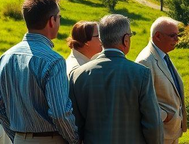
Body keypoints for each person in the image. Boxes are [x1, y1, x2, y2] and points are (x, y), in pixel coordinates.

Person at [0, 0, 79, 144]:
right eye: (59, 17)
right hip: (50, 139)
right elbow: (60, 113)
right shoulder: (53, 61)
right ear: (52, 21)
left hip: (20, 139)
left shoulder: (5, 58)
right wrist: (74, 140)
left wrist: (18, 137)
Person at [69, 14, 163, 144]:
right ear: (125, 39)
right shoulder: (141, 74)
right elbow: (153, 123)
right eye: (130, 36)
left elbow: (75, 125)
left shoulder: (78, 75)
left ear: (101, 40)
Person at [136, 17, 187, 144]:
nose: (177, 39)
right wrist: (166, 116)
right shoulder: (146, 61)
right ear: (158, 36)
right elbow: (140, 101)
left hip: (170, 132)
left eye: (178, 35)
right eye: (172, 35)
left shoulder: (162, 55)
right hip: (160, 134)